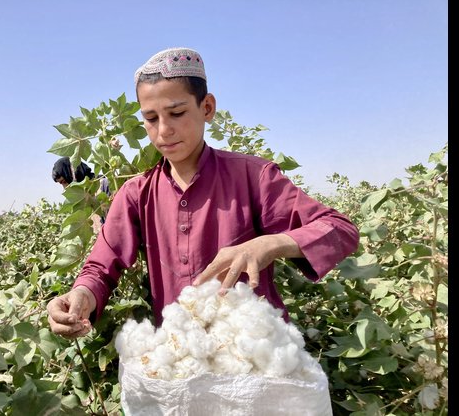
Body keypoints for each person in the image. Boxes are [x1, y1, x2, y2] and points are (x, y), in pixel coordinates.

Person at [47, 47, 360, 338]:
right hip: (183, 358)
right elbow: (101, 267)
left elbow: (340, 229)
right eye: (151, 119)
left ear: (207, 107)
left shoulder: (253, 176)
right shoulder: (136, 194)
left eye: (177, 113)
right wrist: (81, 297)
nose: (164, 130)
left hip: (259, 355)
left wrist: (270, 244)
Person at [52, 156, 110, 225]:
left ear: (73, 174)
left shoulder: (104, 185)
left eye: (64, 181)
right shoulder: (81, 201)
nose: (65, 188)